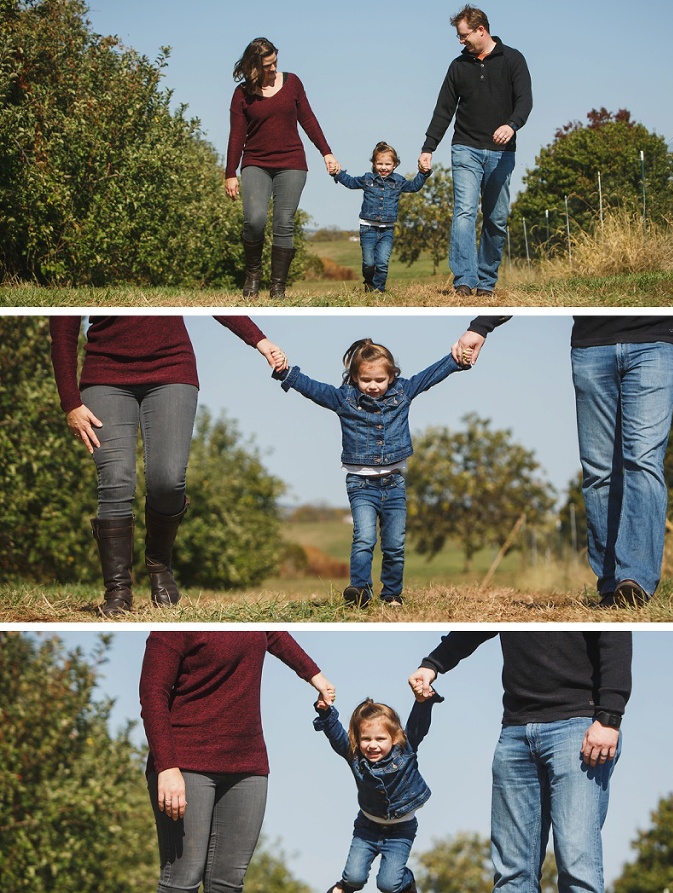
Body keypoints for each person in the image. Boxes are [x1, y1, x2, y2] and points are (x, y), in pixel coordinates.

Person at [450, 314, 673, 606]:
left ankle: (635, 580)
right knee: (598, 471)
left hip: (655, 343)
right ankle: (611, 584)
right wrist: (481, 326)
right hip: (591, 346)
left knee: (643, 460)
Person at [49, 315, 285, 617]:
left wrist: (259, 340)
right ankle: (118, 591)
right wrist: (70, 402)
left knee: (168, 479)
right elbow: (63, 331)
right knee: (116, 479)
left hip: (172, 368)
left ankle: (159, 564)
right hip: (104, 374)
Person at [409, 631, 632, 893]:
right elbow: (479, 622)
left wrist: (610, 715)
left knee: (578, 867)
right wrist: (433, 664)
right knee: (511, 874)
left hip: (579, 726)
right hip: (515, 732)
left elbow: (613, 635)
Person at [139, 631, 336, 893]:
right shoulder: (173, 627)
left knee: (228, 887)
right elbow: (152, 694)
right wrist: (167, 766)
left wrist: (314, 674)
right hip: (186, 761)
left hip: (248, 764)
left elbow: (274, 633)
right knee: (182, 878)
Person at [272, 338, 469, 607]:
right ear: (354, 377)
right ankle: (361, 592)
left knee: (394, 546)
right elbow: (312, 388)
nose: (373, 386)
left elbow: (430, 376)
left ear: (391, 376)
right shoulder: (344, 399)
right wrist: (285, 372)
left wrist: (455, 361)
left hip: (394, 484)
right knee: (364, 538)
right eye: (366, 380)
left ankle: (391, 595)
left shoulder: (404, 392)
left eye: (379, 379)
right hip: (361, 485)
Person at [419, 6, 532, 297]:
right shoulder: (458, 66)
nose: (460, 41)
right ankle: (464, 281)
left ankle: (486, 281)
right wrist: (428, 147)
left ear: (481, 30)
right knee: (465, 212)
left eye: (463, 35)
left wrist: (512, 124)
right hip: (465, 147)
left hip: (501, 153)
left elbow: (525, 101)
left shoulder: (513, 59)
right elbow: (443, 109)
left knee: (496, 218)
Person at [225, 37, 340, 300]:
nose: (274, 68)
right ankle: (253, 274)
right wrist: (230, 173)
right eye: (267, 65)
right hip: (256, 163)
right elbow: (235, 137)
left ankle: (278, 287)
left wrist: (327, 152)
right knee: (254, 220)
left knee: (283, 221)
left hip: (291, 163)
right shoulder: (242, 95)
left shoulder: (293, 83)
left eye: (275, 62)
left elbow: (308, 119)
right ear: (254, 67)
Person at [312, 692, 443, 893]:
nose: (372, 745)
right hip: (367, 828)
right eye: (366, 739)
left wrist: (423, 703)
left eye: (380, 739)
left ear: (395, 738)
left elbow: (418, 725)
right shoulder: (354, 756)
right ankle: (347, 886)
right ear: (357, 739)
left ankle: (406, 883)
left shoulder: (406, 749)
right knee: (354, 876)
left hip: (401, 832)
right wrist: (325, 712)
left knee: (388, 884)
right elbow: (336, 736)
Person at [332, 141, 432, 292]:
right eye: (379, 163)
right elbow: (351, 182)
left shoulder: (398, 181)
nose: (383, 167)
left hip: (387, 230)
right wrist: (337, 173)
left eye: (387, 164)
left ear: (395, 165)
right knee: (369, 263)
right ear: (373, 163)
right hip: (367, 228)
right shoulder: (367, 179)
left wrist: (423, 173)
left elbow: (414, 187)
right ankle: (369, 282)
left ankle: (378, 291)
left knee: (382, 262)